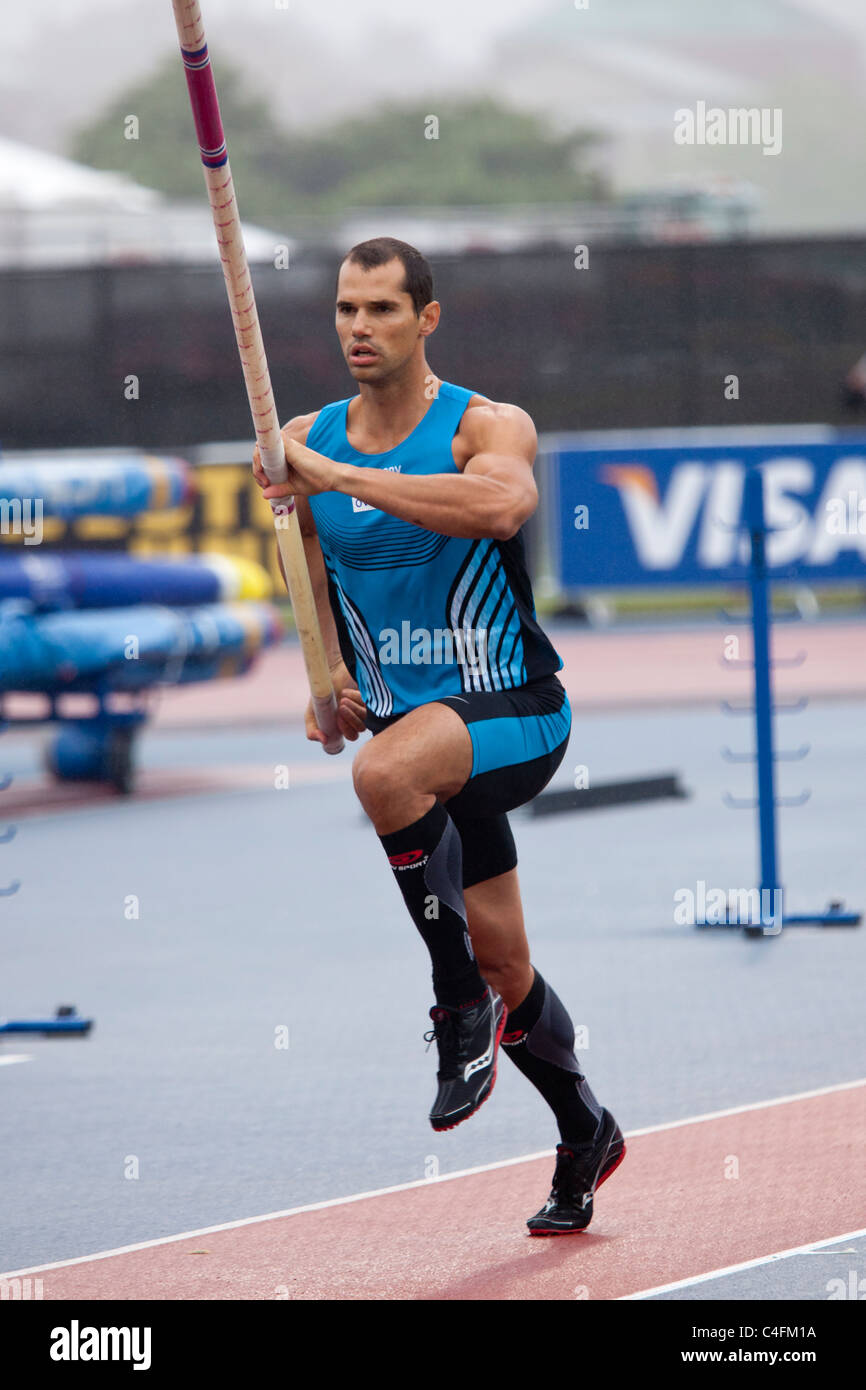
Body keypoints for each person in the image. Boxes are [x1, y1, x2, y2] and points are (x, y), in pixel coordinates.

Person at [253, 236, 625, 1233]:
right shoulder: (303, 434)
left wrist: (336, 475)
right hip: (418, 742)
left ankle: (451, 1002)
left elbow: (501, 506)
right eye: (344, 310)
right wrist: (325, 671)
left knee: (384, 775)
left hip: (513, 714)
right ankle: (582, 1124)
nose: (358, 328)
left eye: (380, 309)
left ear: (426, 318)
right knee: (510, 961)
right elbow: (307, 565)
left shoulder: (483, 425)